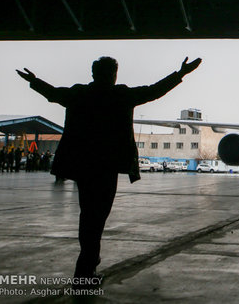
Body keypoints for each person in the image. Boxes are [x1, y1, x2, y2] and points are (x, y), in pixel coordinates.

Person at [17, 56, 202, 282]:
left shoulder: (79, 94)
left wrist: (34, 81)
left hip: (83, 166)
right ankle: (85, 270)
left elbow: (53, 93)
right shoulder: (121, 95)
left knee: (88, 216)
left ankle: (86, 265)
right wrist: (180, 73)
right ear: (114, 74)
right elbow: (155, 90)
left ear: (93, 73)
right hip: (108, 166)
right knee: (97, 217)